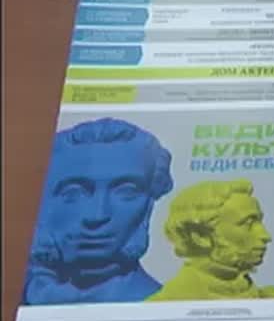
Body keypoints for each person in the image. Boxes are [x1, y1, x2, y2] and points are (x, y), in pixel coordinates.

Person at [24, 118, 174, 305]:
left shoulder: (159, 302)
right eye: (73, 193)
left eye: (126, 192)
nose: (97, 216)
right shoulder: (26, 289)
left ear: (149, 203)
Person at [147, 180, 274, 301]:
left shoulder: (270, 299)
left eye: (259, 222)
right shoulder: (163, 306)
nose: (266, 236)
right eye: (248, 223)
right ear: (201, 237)